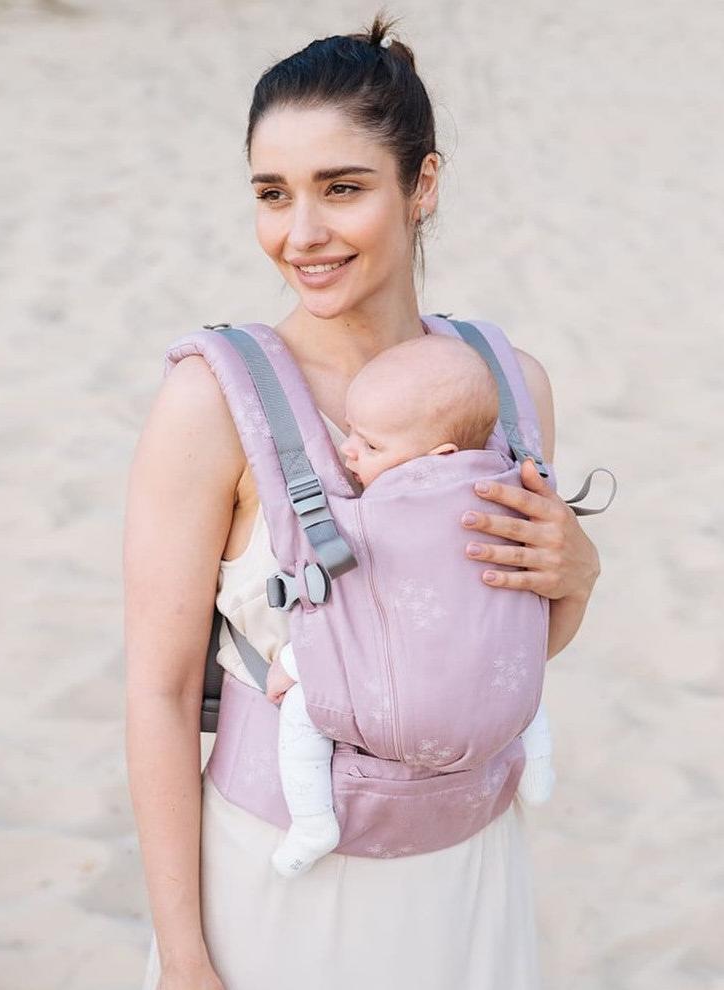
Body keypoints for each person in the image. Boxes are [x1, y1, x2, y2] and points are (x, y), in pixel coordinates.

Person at [124, 14, 601, 989]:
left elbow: (471, 653)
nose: (301, 234)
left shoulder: (513, 390)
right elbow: (161, 692)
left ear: (422, 184)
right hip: (277, 889)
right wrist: (182, 955)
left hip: (469, 877)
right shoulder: (213, 402)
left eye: (341, 188)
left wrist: (579, 581)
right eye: (272, 194)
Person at [264, 333, 556, 879]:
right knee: (517, 667)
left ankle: (311, 821)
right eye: (350, 432)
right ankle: (537, 765)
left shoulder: (389, 516)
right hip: (497, 696)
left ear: (438, 456)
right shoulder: (505, 487)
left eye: (370, 445)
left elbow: (362, 629)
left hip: (405, 706)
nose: (348, 452)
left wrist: (292, 664)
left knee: (304, 713)